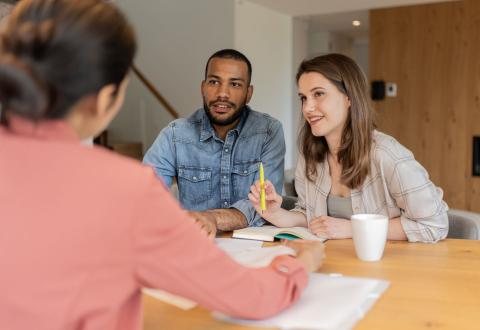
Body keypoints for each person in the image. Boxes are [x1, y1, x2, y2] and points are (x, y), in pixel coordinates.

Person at [0, 1, 325, 329]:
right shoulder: (127, 186)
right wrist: (302, 265)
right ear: (105, 98)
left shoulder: (268, 130)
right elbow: (252, 296)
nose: (222, 92)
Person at [249, 53, 449, 243]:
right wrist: (275, 213)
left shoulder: (388, 156)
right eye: (303, 98)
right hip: (333, 266)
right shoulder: (310, 156)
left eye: (318, 94)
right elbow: (310, 216)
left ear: (349, 98)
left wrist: (351, 229)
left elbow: (434, 224)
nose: (308, 108)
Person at [143, 48, 286, 236]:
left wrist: (212, 218)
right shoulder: (175, 135)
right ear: (203, 87)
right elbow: (145, 194)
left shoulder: (268, 132)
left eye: (235, 84)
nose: (222, 94)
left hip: (252, 249)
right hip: (195, 244)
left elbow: (264, 206)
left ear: (248, 93)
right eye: (214, 82)